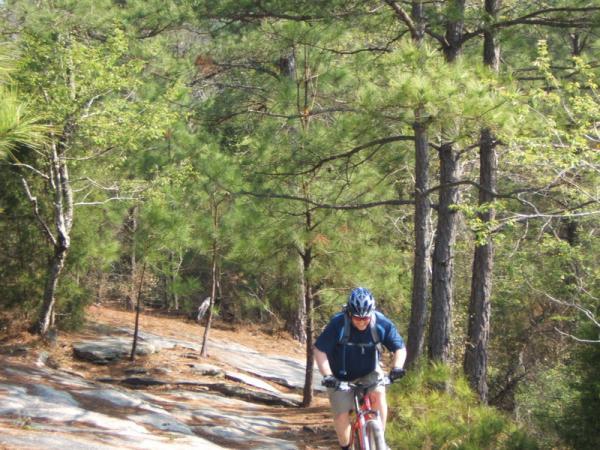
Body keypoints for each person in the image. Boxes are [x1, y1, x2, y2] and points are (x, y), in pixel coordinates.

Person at [314, 287, 406, 450]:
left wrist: (397, 367)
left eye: (365, 318)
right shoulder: (338, 324)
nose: (362, 321)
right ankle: (346, 447)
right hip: (339, 377)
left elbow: (399, 348)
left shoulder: (381, 323)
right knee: (342, 416)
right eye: (357, 318)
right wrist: (328, 375)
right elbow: (320, 350)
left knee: (379, 395)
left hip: (369, 372)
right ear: (349, 313)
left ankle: (379, 442)